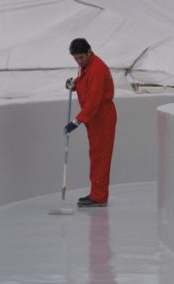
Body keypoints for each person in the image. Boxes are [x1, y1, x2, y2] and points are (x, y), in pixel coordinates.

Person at [64, 38, 117, 207]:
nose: (79, 61)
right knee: (95, 155)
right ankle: (96, 193)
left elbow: (94, 100)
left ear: (89, 52)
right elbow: (84, 81)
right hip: (93, 118)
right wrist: (74, 84)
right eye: (76, 58)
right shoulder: (86, 66)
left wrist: (76, 121)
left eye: (81, 57)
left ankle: (99, 197)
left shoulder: (98, 69)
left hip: (102, 117)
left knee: (100, 157)